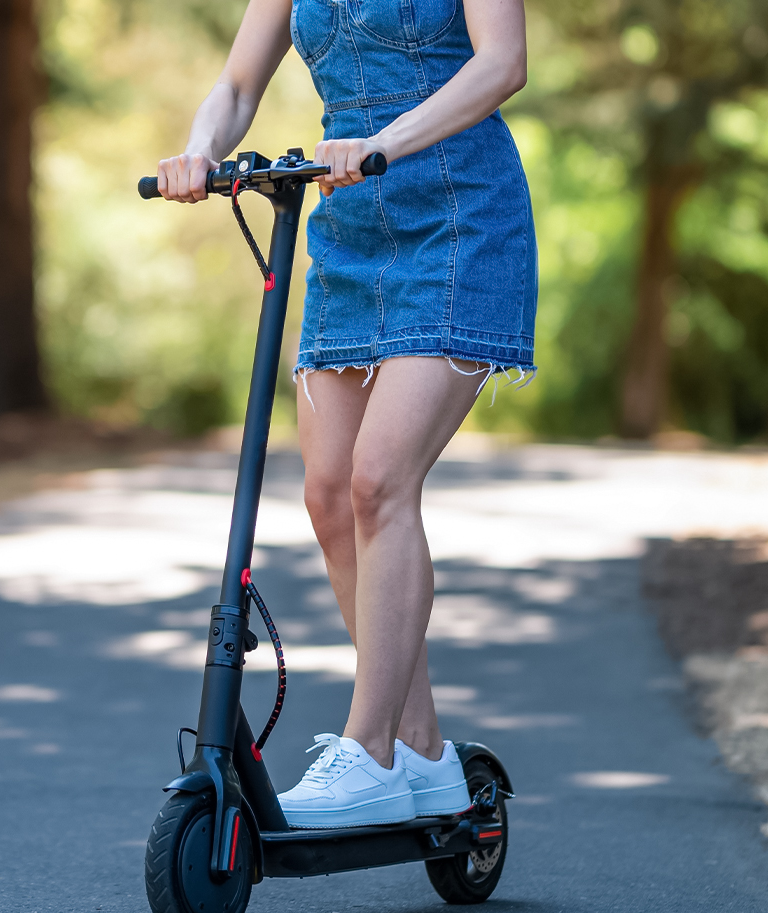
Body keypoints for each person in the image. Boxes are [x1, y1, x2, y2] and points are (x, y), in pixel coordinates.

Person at [157, 0, 536, 828]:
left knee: (378, 482)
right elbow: (236, 83)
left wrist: (386, 142)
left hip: (459, 213)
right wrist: (197, 151)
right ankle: (427, 756)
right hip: (353, 225)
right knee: (329, 497)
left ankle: (367, 752)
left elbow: (503, 63)